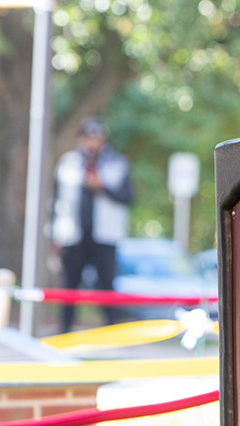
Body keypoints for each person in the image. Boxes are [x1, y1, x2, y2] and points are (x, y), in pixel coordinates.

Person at [51, 116, 134, 332]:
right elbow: (55, 201)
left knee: (107, 286)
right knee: (70, 287)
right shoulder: (67, 163)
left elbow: (128, 196)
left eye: (97, 138)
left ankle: (112, 332)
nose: (92, 143)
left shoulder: (117, 162)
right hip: (73, 235)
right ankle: (65, 332)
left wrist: (102, 188)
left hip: (104, 237)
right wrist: (53, 235)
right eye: (89, 137)